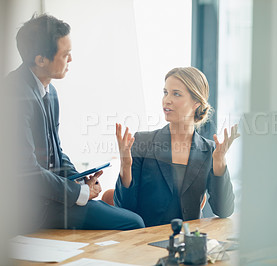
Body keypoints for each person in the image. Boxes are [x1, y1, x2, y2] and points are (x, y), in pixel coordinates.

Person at [7, 14, 144, 231]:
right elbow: (26, 171)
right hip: (32, 208)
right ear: (40, 59)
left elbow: (55, 152)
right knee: (133, 222)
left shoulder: (49, 91)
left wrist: (80, 180)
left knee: (132, 220)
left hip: (51, 197)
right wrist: (79, 193)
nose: (70, 60)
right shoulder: (13, 94)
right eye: (65, 54)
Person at [114, 66, 238, 227]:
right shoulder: (142, 141)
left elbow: (224, 210)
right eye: (165, 92)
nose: (167, 100)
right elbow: (124, 208)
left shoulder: (210, 150)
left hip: (187, 241)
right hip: (145, 242)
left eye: (176, 94)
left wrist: (220, 163)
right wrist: (125, 165)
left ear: (196, 103)